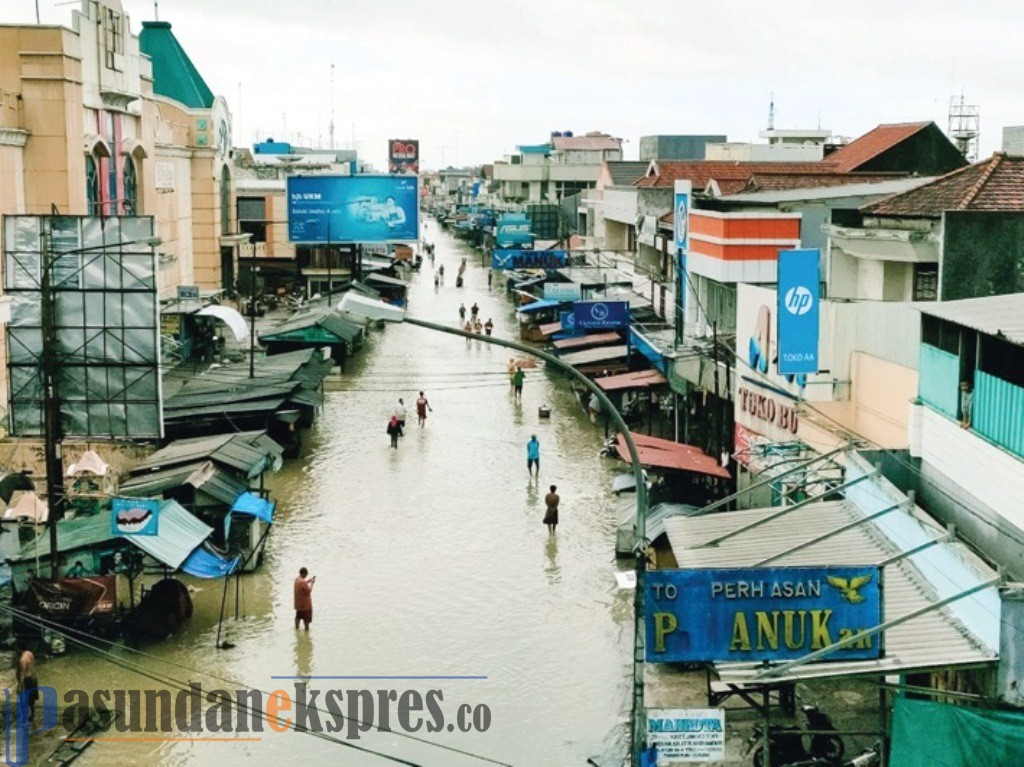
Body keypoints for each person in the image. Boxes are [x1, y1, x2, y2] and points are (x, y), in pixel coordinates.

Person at [16, 648, 38, 720]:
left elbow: (22, 673)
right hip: (34, 678)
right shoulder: (29, 653)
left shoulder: (22, 660)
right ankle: (33, 715)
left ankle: (25, 716)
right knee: (32, 698)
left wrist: (20, 685)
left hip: (28, 680)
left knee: (24, 698)